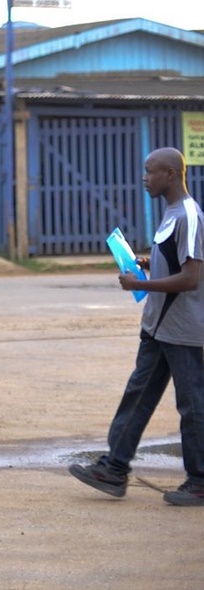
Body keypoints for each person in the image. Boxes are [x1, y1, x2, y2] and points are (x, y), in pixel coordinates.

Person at [69, 147, 204, 506]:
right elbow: (175, 260)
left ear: (171, 174)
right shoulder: (171, 213)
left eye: (150, 171)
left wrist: (139, 284)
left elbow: (191, 278)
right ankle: (113, 469)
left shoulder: (188, 215)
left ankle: (200, 482)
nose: (145, 178)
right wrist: (146, 263)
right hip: (158, 328)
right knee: (138, 396)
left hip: (183, 331)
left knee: (193, 406)